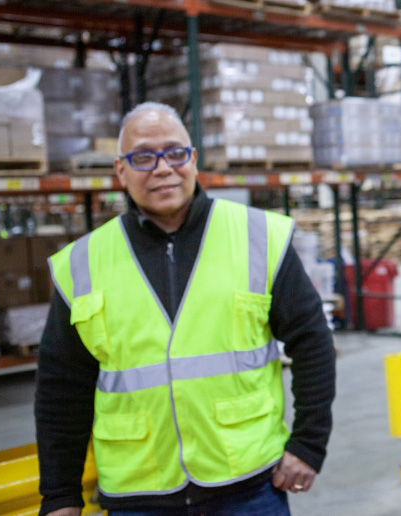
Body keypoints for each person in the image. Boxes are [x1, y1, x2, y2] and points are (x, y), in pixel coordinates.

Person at [35, 102, 336, 516]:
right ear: (120, 171)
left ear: (193, 160)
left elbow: (313, 343)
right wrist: (60, 495)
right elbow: (60, 389)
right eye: (143, 157)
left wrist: (307, 444)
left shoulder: (257, 237)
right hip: (137, 495)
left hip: (247, 487)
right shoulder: (82, 264)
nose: (162, 168)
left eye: (175, 153)